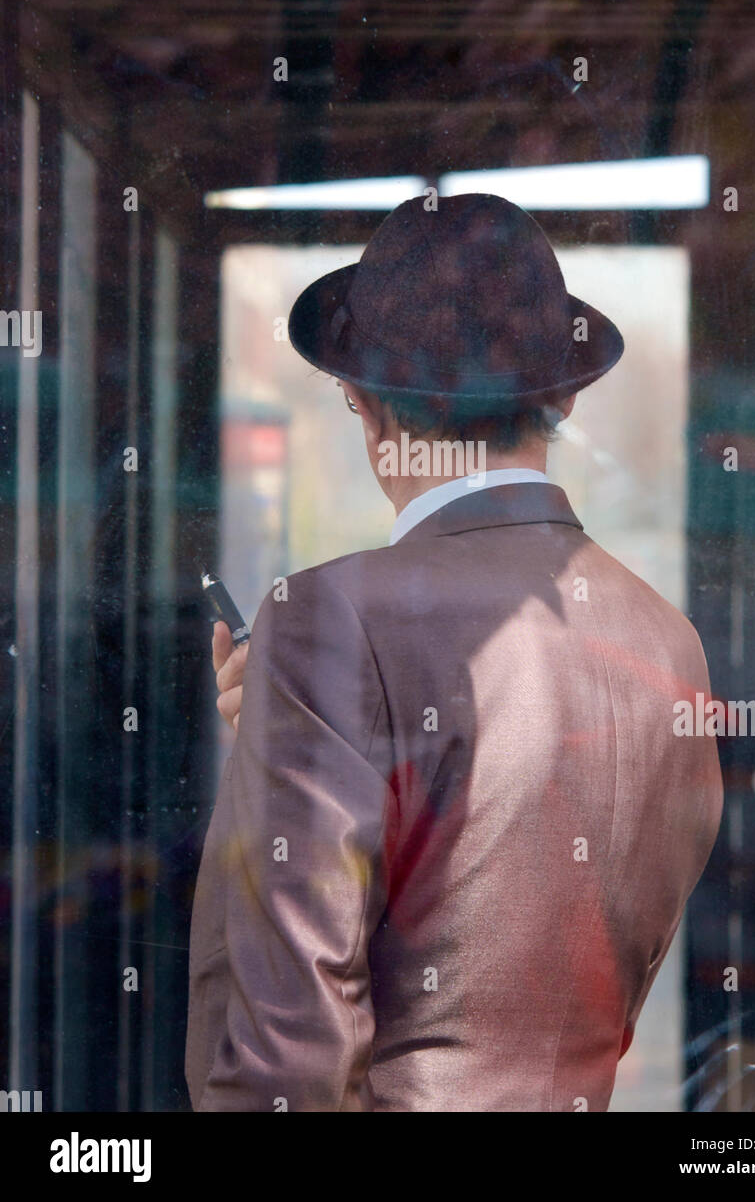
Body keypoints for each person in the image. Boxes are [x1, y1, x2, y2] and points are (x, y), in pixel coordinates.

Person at [185, 192, 723, 1112]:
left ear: (362, 406)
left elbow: (286, 1063)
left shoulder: (326, 617)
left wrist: (284, 747)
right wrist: (292, 738)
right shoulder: (670, 641)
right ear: (560, 398)